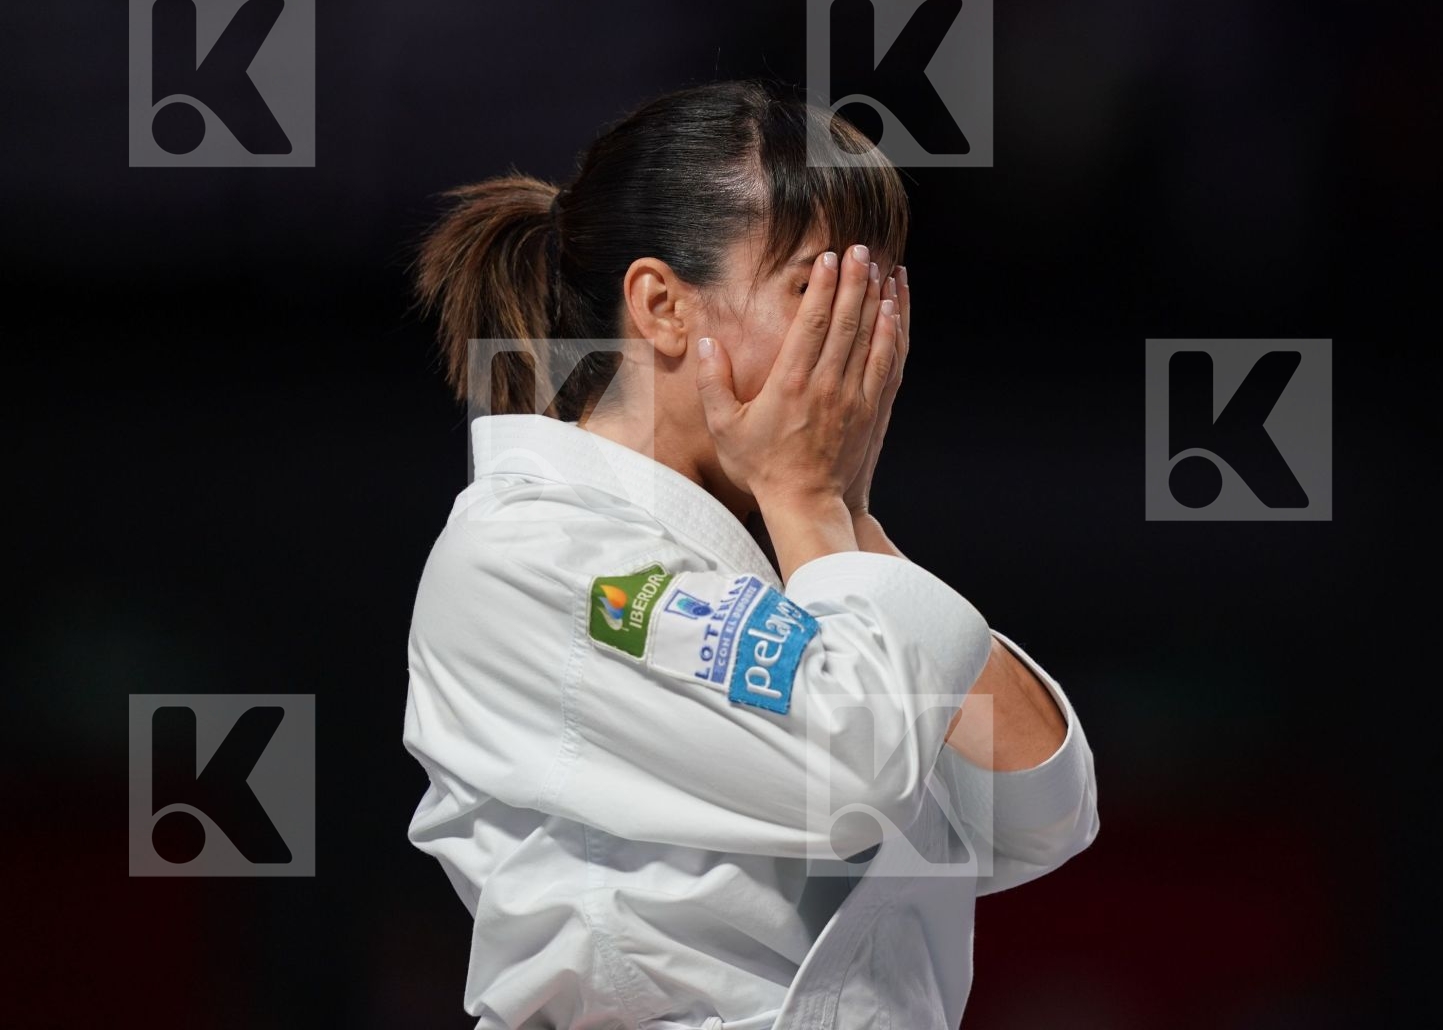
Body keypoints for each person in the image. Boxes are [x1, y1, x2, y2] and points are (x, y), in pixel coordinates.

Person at [401, 79, 1099, 1030]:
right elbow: (846, 778)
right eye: (818, 289)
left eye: (879, 291)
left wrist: (846, 516)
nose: (865, 340)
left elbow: (1040, 811)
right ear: (662, 307)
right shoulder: (532, 547)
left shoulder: (801, 547)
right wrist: (813, 498)